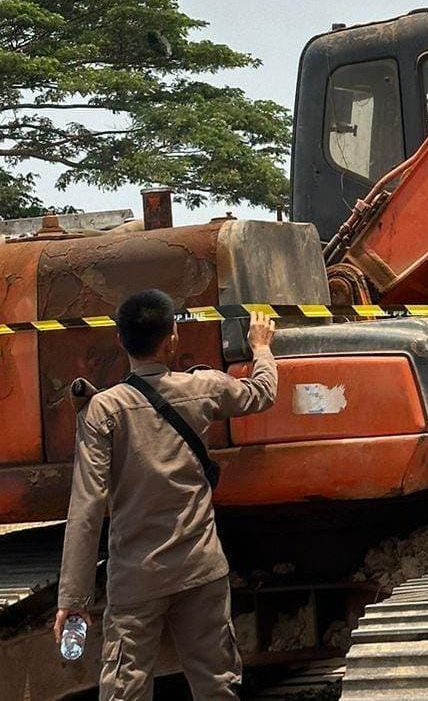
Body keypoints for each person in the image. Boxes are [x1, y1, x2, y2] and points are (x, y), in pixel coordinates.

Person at [56, 290, 278, 699]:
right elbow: (260, 393)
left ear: (120, 341)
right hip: (200, 570)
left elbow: (86, 507)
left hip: (137, 578)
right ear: (172, 339)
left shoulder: (104, 411)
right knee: (216, 686)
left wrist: (73, 598)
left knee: (125, 689)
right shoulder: (203, 388)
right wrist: (261, 347)